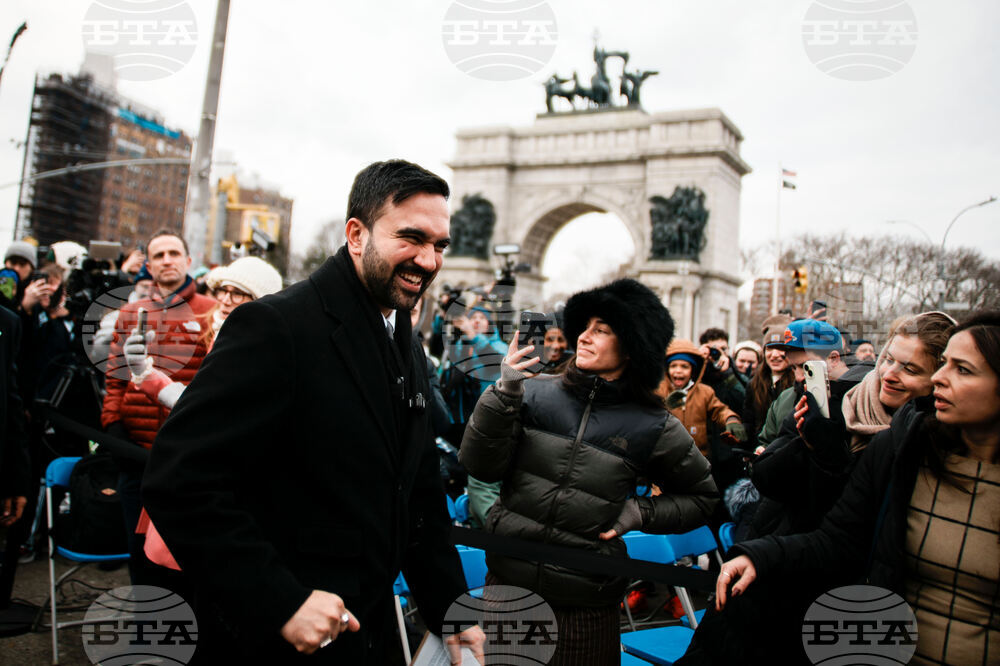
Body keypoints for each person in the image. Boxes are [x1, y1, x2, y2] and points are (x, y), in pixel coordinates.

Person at [142, 160, 484, 664]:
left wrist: (450, 607)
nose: (429, 261)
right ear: (356, 234)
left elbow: (417, 491)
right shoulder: (275, 327)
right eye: (411, 238)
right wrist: (280, 601)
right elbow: (178, 479)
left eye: (440, 245)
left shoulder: (405, 339)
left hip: (369, 632)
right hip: (271, 640)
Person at [715, 311, 1000, 665]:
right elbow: (837, 535)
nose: (889, 374)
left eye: (912, 369)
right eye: (888, 360)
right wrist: (813, 448)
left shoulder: (906, 443)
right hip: (818, 610)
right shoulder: (859, 420)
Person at [460, 278, 718, 665]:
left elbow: (704, 497)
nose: (584, 337)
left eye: (602, 330)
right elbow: (479, 463)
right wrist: (505, 391)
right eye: (586, 327)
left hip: (585, 605)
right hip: (510, 590)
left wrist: (638, 513)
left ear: (631, 346)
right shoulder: (533, 391)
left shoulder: (653, 425)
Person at [101, 230, 216, 584]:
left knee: (182, 559)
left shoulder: (211, 312)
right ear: (149, 265)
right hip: (135, 457)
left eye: (174, 252)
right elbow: (114, 378)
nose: (167, 260)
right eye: (159, 255)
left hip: (185, 458)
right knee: (140, 559)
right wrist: (112, 425)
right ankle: (146, 635)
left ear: (188, 261)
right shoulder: (130, 313)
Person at [756, 318, 850, 448]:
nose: (798, 377)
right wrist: (764, 451)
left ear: (833, 359)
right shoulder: (784, 400)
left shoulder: (858, 400)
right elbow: (766, 440)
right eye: (793, 368)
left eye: (806, 367)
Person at [741, 314, 793, 449]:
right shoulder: (754, 384)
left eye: (781, 347)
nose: (774, 355)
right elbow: (750, 422)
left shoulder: (798, 384)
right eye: (770, 348)